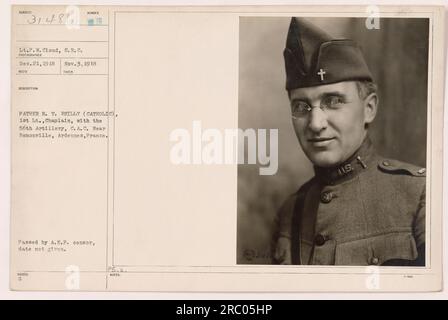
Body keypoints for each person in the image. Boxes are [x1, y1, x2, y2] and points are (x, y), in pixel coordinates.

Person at [272, 17, 426, 266]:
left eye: (333, 101)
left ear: (369, 109)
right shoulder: (289, 214)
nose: (315, 123)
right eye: (301, 106)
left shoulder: (419, 195)